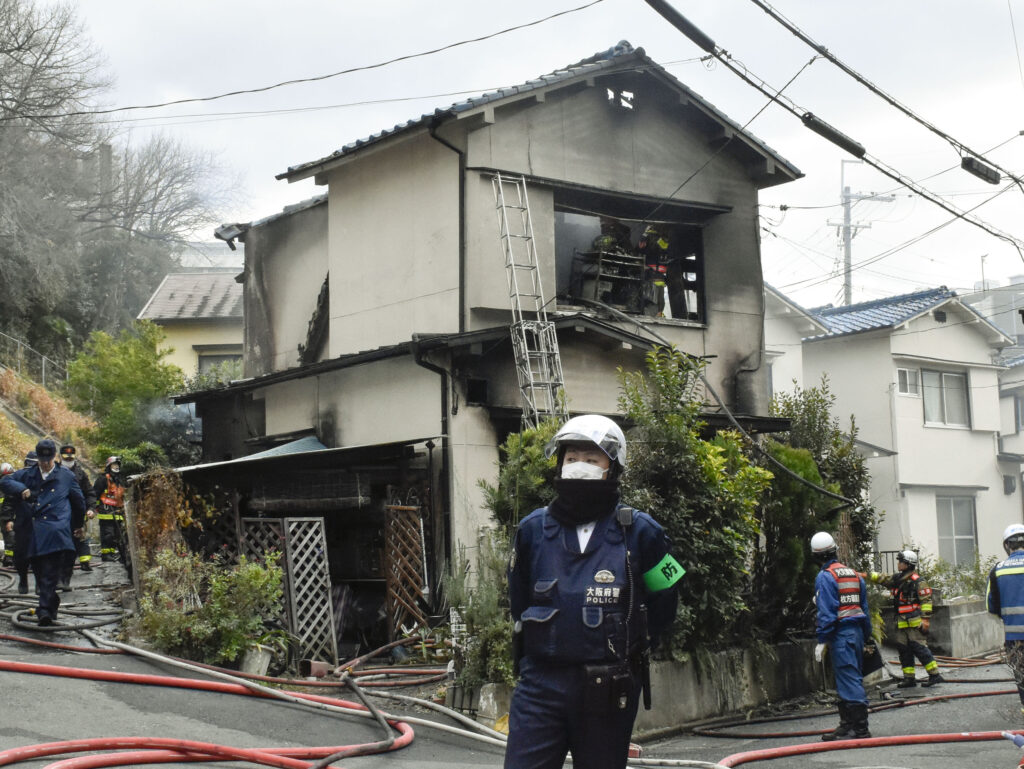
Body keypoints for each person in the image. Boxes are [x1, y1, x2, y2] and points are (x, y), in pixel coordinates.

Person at [504, 414, 684, 769]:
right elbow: (517, 600)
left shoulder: (643, 532)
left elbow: (667, 598)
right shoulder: (532, 530)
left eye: (591, 459)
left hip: (608, 686)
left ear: (612, 467)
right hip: (540, 684)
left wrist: (631, 649)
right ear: (559, 463)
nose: (579, 467)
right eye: (571, 459)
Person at [0, 439, 85, 625]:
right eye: (42, 459)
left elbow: (79, 503)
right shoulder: (27, 475)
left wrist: (79, 525)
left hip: (56, 530)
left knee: (49, 570)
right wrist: (22, 489)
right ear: (38, 458)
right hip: (33, 533)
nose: (45, 463)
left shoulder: (66, 476)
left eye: (48, 459)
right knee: (40, 571)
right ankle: (50, 602)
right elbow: (5, 481)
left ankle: (44, 610)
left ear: (54, 457)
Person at [812, 530, 872, 741]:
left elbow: (827, 612)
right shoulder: (853, 574)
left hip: (840, 634)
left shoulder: (825, 577)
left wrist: (822, 639)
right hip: (855, 632)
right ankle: (847, 725)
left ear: (816, 556)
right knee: (847, 678)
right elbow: (863, 607)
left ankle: (860, 728)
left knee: (848, 679)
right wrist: (866, 636)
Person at [863, 550, 942, 688]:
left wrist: (925, 620)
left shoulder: (918, 581)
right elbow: (882, 578)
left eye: (901, 561)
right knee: (904, 651)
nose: (898, 563)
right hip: (901, 623)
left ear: (907, 564)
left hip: (915, 623)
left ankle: (935, 675)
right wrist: (865, 575)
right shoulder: (897, 579)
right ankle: (909, 678)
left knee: (920, 649)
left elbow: (926, 601)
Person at [987, 523, 1024, 716]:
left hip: (1014, 638)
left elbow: (991, 606)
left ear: (1007, 545)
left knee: (1022, 677)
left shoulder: (997, 571)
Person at [57, 444, 97, 588]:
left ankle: (66, 578)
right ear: (60, 456)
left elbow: (90, 493)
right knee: (57, 547)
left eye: (71, 456)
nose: (68, 458)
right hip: (57, 516)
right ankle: (58, 579)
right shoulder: (53, 471)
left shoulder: (80, 474)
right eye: (65, 456)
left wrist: (91, 508)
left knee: (72, 548)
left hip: (76, 516)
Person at [4, 451, 38, 593]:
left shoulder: (46, 479)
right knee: (21, 555)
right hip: (22, 522)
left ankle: (40, 584)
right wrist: (9, 519)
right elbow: (9, 501)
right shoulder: (18, 479)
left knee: (40, 555)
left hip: (41, 523)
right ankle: (23, 579)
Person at [93, 456, 125, 562]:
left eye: (117, 465)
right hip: (106, 512)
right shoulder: (103, 479)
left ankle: (111, 553)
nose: (116, 467)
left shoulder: (119, 480)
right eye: (114, 465)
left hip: (117, 512)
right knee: (108, 534)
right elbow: (94, 494)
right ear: (109, 466)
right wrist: (95, 507)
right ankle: (106, 555)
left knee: (116, 535)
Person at [1, 462, 14, 568]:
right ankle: (9, 558)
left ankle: (9, 558)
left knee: (9, 535)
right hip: (5, 514)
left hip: (7, 514)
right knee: (8, 535)